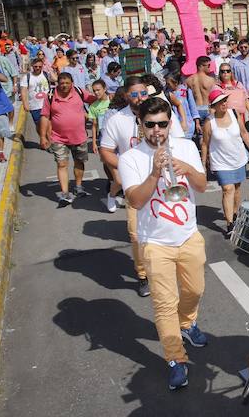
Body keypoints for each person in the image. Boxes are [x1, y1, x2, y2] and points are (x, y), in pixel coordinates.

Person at [118, 97, 209, 392]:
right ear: (141, 125)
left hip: (188, 234)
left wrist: (186, 169)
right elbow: (135, 200)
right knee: (164, 304)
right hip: (155, 242)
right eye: (150, 124)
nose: (157, 130)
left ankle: (188, 323)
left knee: (195, 290)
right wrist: (156, 172)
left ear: (170, 123)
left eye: (162, 124)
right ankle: (176, 359)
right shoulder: (130, 157)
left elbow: (202, 185)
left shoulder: (186, 146)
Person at [99, 76, 152, 296]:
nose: (140, 98)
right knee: (136, 233)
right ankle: (143, 276)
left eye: (143, 93)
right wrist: (126, 166)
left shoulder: (160, 112)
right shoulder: (116, 120)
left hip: (160, 181)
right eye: (134, 94)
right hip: (134, 185)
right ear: (126, 95)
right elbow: (105, 151)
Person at [201, 89, 249, 236]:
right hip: (220, 162)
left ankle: (236, 214)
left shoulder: (234, 113)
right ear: (214, 105)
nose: (224, 104)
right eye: (220, 102)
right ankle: (230, 224)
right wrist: (203, 165)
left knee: (237, 188)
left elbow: (243, 132)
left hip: (238, 158)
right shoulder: (209, 122)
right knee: (228, 189)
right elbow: (205, 144)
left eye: (225, 100)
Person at [40, 72, 95, 205]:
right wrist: (43, 137)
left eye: (67, 83)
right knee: (62, 164)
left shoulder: (79, 91)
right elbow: (45, 117)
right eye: (62, 83)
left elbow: (94, 99)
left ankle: (78, 186)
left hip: (79, 136)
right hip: (58, 138)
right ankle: (65, 193)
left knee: (79, 162)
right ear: (57, 83)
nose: (64, 86)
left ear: (72, 84)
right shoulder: (50, 96)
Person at [21, 56, 51, 133]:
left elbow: (55, 79)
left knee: (48, 125)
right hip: (35, 106)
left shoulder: (45, 74)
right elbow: (23, 91)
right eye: (35, 66)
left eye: (40, 66)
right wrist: (25, 103)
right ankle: (42, 137)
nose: (38, 68)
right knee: (39, 126)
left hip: (47, 105)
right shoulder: (27, 77)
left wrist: (50, 70)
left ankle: (48, 141)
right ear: (32, 66)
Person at [186, 56, 216, 123]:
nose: (210, 67)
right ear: (201, 66)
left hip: (195, 109)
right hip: (208, 108)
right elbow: (215, 96)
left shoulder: (188, 80)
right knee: (209, 132)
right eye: (208, 65)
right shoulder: (211, 80)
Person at [88, 79, 112, 154]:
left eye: (98, 90)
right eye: (94, 90)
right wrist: (94, 143)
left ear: (105, 89)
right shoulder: (93, 106)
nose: (96, 92)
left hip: (115, 133)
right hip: (103, 135)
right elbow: (94, 125)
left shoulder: (112, 100)